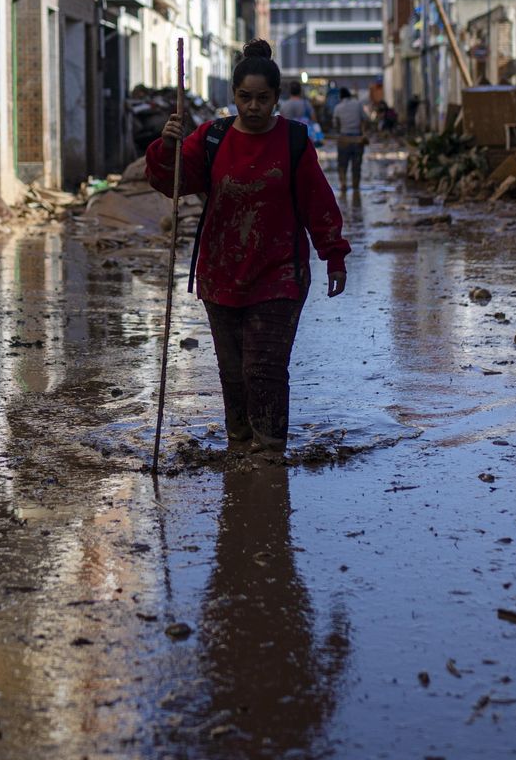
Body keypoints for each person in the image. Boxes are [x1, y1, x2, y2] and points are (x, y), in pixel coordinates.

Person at [147, 39, 351, 452]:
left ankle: (271, 451)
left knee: (266, 367)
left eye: (262, 99)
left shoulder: (294, 142)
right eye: (245, 98)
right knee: (233, 371)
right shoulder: (212, 138)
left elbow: (318, 201)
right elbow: (174, 183)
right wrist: (167, 146)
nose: (254, 107)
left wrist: (334, 255)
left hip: (280, 273)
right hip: (220, 273)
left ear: (276, 98)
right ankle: (239, 444)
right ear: (234, 97)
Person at [331, 87, 369, 197]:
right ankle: (355, 187)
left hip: (344, 140)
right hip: (358, 139)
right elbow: (365, 119)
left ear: (341, 97)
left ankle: (343, 184)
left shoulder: (338, 107)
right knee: (356, 165)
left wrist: (340, 130)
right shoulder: (358, 104)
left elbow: (335, 124)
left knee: (342, 164)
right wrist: (363, 132)